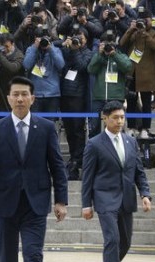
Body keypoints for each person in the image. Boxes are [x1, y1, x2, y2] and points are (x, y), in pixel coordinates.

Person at [0, 76, 68, 262]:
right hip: (6, 203)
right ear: (8, 98)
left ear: (32, 98)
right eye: (15, 94)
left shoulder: (46, 128)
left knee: (33, 254)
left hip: (35, 204)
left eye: (24, 94)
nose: (20, 99)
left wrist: (61, 200)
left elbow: (57, 165)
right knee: (6, 258)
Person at [81, 100, 151, 262]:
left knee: (125, 243)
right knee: (112, 239)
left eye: (122, 117)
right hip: (104, 198)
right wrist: (86, 204)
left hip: (126, 198)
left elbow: (139, 171)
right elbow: (87, 177)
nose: (119, 121)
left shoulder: (130, 142)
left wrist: (145, 194)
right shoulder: (94, 144)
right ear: (105, 118)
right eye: (115, 118)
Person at [120, 7, 155, 139]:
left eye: (145, 20)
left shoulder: (154, 33)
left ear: (150, 20)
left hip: (147, 74)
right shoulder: (134, 32)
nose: (143, 22)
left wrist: (145, 33)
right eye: (141, 20)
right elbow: (122, 43)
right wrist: (131, 29)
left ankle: (145, 128)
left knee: (146, 103)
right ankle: (131, 126)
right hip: (132, 72)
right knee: (131, 101)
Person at [60, 28, 93, 180]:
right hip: (64, 93)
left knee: (78, 129)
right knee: (69, 129)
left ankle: (78, 159)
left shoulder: (88, 52)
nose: (77, 40)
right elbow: (61, 63)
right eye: (75, 37)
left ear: (86, 39)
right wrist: (64, 44)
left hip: (78, 95)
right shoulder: (68, 49)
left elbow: (82, 66)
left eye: (81, 38)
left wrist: (75, 50)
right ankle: (73, 157)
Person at [87, 31, 132, 137]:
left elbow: (127, 67)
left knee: (116, 127)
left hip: (116, 97)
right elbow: (90, 69)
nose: (108, 46)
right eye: (105, 44)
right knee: (95, 127)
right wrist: (99, 54)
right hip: (99, 97)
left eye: (110, 44)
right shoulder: (99, 57)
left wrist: (114, 55)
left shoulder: (121, 56)